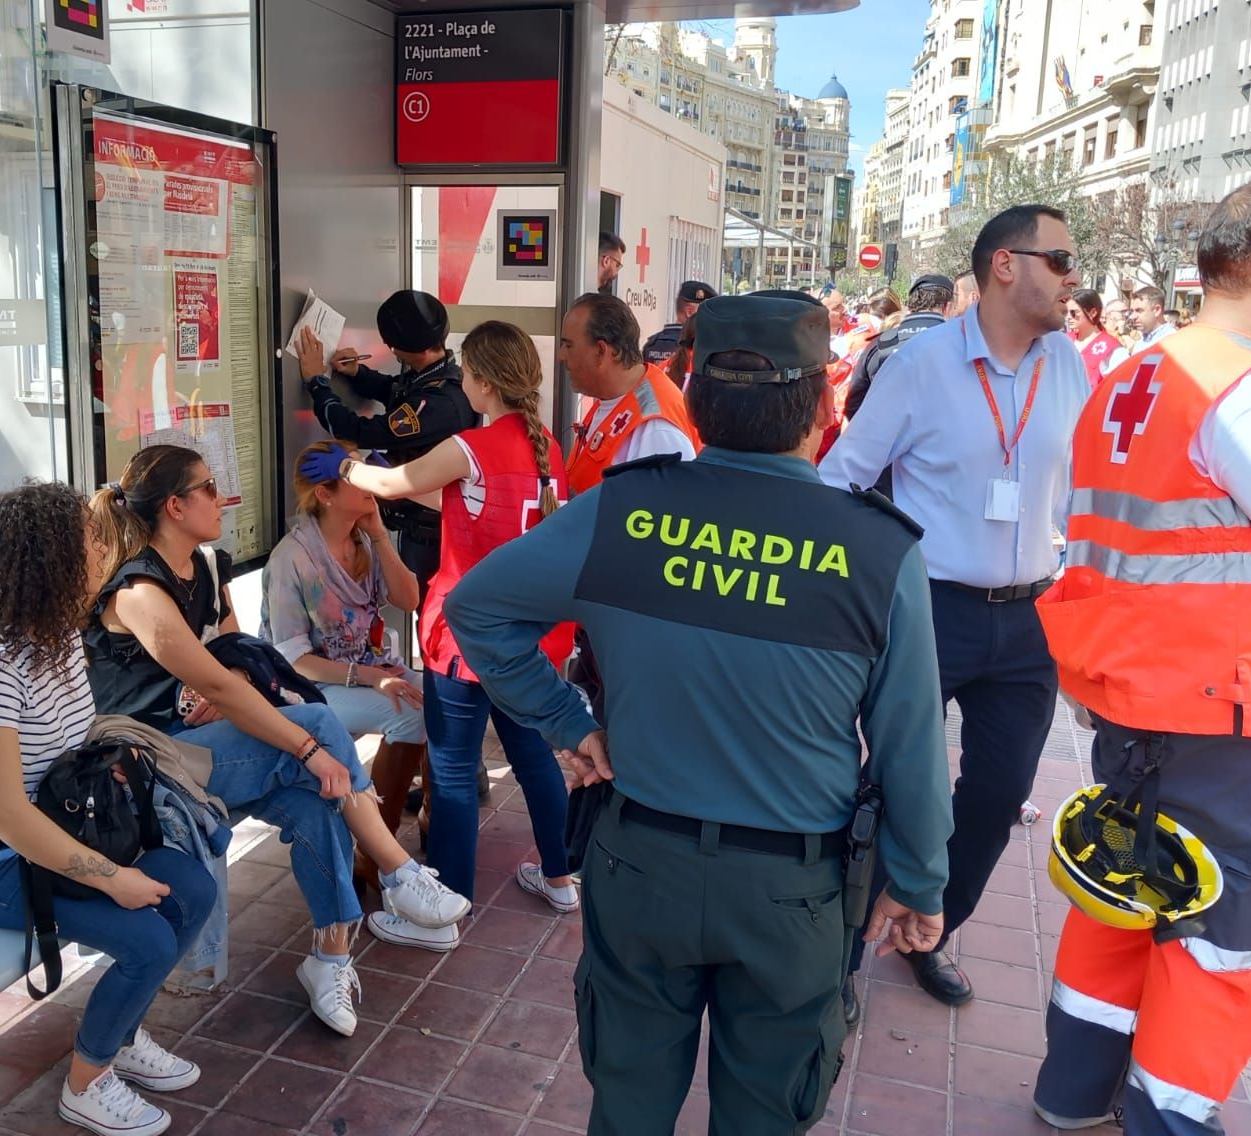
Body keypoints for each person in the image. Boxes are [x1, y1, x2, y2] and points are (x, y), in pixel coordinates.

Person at [443, 291, 953, 1136]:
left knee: (630, 1109)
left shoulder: (622, 509)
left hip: (642, 866)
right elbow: (911, 747)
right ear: (824, 407)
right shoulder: (878, 551)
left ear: (700, 402)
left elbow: (479, 612)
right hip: (793, 893)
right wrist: (921, 881)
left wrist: (568, 721)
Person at [1032, 178, 1251, 1135]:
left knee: (1123, 896)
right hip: (1245, 712)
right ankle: (1169, 1118)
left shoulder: (1132, 376)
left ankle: (1073, 1094)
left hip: (1136, 694)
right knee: (1225, 943)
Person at [84, 445, 469, 1035]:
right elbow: (215, 678)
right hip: (151, 762)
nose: (222, 497)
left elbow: (237, 663)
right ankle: (394, 870)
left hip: (208, 743)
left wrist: (232, 685)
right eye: (209, 488)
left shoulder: (207, 566)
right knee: (316, 730)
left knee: (316, 798)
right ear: (174, 506)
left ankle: (332, 957)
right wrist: (300, 742)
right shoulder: (137, 590)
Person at [820, 205, 1090, 1010]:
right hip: (930, 607)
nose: (1075, 277)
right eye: (1062, 260)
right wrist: (866, 589)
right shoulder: (922, 363)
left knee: (1000, 794)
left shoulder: (1069, 365)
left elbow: (1081, 492)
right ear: (1006, 265)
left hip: (1031, 617)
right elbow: (845, 480)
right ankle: (840, 952)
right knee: (887, 786)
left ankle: (929, 925)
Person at [0, 483, 217, 1136]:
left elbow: (67, 746)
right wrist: (113, 878)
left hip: (63, 827)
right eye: (90, 542)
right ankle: (86, 1085)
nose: (104, 551)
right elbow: (6, 815)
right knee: (147, 934)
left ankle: (120, 1033)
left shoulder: (58, 637)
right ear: (46, 560)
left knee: (193, 888)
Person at [304, 322, 578, 910]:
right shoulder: (544, 446)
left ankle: (447, 903)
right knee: (533, 759)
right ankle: (560, 880)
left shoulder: (470, 447)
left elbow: (395, 482)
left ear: (480, 381)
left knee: (452, 770)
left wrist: (344, 464)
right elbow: (462, 498)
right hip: (525, 643)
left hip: (464, 638)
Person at [267, 440, 427, 888]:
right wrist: (372, 678)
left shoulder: (365, 541)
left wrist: (378, 534)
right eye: (357, 478)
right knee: (410, 712)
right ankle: (374, 856)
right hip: (308, 687)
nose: (371, 483)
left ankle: (424, 824)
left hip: (366, 669)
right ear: (325, 493)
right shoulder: (291, 558)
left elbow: (409, 598)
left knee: (444, 697)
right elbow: (293, 658)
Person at [296, 289, 475, 614]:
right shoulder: (442, 375)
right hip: (425, 530)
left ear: (396, 348)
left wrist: (316, 382)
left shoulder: (439, 403)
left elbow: (357, 431)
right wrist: (359, 374)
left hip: (431, 540)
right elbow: (398, 391)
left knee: (433, 623)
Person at [561, 291, 699, 495]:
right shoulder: (613, 397)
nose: (561, 355)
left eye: (568, 345)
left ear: (601, 351)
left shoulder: (657, 431)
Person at [844, 273, 955, 425]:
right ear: (948, 307)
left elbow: (853, 404)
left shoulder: (879, 344)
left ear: (910, 307)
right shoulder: (961, 345)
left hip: (885, 442)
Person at [641, 279, 716, 367]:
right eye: (708, 311)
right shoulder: (700, 347)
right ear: (690, 312)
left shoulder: (651, 345)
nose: (712, 317)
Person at [1107, 285, 1177, 370]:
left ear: (1157, 310)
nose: (1132, 317)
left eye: (1139, 310)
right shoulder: (1140, 342)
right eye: (1132, 311)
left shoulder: (1172, 341)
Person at [1067, 288, 1117, 389]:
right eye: (1066, 312)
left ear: (1093, 312)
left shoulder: (1112, 348)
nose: (1068, 317)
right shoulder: (1064, 340)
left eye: (1074, 313)